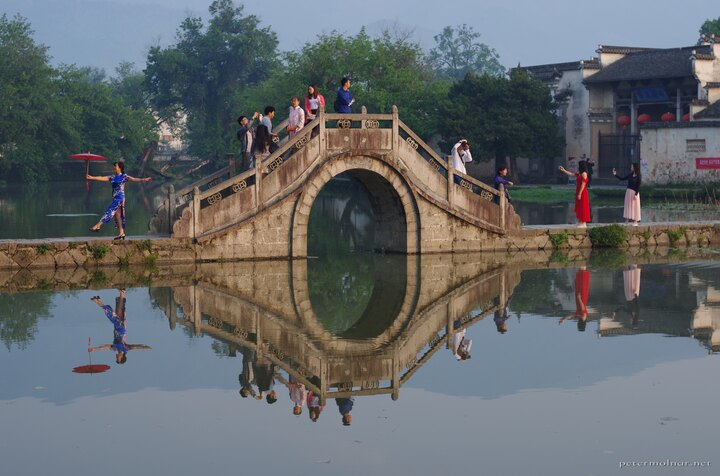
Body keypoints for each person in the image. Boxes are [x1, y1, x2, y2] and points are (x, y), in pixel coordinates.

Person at [87, 161, 152, 240]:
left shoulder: (124, 176)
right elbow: (102, 177)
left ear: (120, 167)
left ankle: (98, 225)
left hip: (120, 197)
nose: (114, 167)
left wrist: (144, 179)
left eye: (116, 166)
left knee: (110, 210)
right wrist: (92, 177)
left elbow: (133, 179)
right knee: (118, 216)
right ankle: (121, 233)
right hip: (115, 197)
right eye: (114, 166)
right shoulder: (113, 177)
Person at [89, 290, 151, 364]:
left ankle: (103, 299)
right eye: (117, 359)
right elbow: (135, 347)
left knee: (118, 311)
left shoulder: (115, 348)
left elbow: (106, 346)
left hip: (117, 327)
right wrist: (145, 347)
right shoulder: (125, 349)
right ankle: (100, 301)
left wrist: (95, 349)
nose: (116, 357)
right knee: (111, 315)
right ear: (122, 357)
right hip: (121, 329)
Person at [558, 161, 591, 228]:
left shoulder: (584, 174)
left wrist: (580, 193)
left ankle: (583, 223)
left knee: (583, 207)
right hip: (578, 192)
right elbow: (571, 174)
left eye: (579, 165)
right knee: (579, 207)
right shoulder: (580, 173)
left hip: (582, 193)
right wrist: (564, 170)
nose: (577, 166)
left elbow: (583, 184)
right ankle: (579, 221)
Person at [559, 267, 591, 331]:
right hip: (582, 299)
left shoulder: (579, 317)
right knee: (582, 283)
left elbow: (571, 316)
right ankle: (583, 265)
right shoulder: (583, 317)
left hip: (580, 300)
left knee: (579, 283)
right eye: (578, 326)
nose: (577, 325)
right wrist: (579, 299)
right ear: (581, 325)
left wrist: (563, 319)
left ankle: (582, 266)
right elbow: (583, 308)